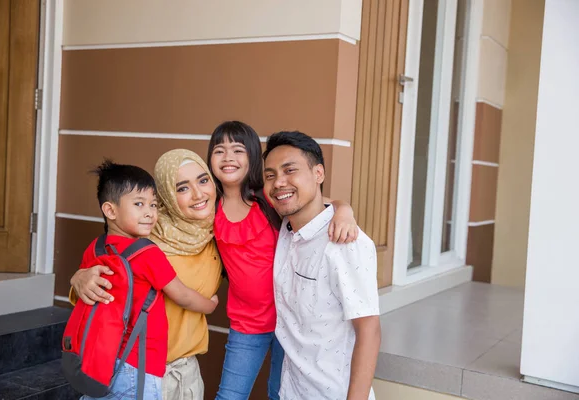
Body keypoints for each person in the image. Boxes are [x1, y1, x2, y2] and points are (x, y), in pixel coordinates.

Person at [208, 121, 359, 400]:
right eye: (220, 150)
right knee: (229, 395)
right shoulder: (209, 207)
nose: (228, 157)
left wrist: (345, 210)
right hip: (246, 325)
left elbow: (320, 202)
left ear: (253, 157)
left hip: (287, 322)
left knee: (278, 393)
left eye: (237, 150)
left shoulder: (267, 197)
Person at [71, 151, 223, 400]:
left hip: (185, 371)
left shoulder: (219, 234)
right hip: (139, 365)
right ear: (166, 195)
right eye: (182, 188)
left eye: (203, 180)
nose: (198, 194)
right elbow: (96, 285)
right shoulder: (145, 239)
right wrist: (77, 279)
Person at [262, 131, 381, 400]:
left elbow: (369, 331)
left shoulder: (345, 242)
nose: (279, 182)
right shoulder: (285, 226)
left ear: (318, 173)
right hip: (290, 389)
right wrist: (343, 206)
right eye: (270, 175)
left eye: (289, 170)